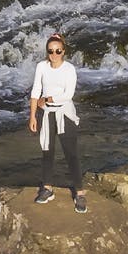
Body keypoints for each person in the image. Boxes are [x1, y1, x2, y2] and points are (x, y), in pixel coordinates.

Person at [29, 32, 86, 213]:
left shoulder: (69, 69)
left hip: (64, 113)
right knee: (47, 151)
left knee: (71, 154)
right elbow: (35, 90)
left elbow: (68, 94)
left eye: (58, 51)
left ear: (64, 51)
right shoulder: (41, 67)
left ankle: (80, 193)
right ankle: (47, 188)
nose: (54, 55)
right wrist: (32, 115)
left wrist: (48, 98)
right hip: (46, 114)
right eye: (50, 51)